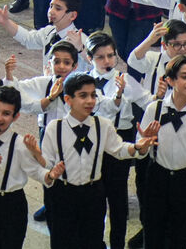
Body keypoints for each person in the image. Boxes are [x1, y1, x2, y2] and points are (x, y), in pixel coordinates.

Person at [41, 73, 140, 249]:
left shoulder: (102, 125)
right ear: (68, 99)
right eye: (83, 96)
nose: (90, 101)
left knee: (92, 239)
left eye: (93, 95)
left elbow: (118, 149)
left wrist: (139, 147)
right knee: (62, 240)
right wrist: (50, 173)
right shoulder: (55, 128)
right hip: (63, 192)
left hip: (93, 193)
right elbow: (46, 163)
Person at [135, 55, 186, 249]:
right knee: (153, 233)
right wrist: (143, 144)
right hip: (157, 176)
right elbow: (139, 149)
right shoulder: (154, 108)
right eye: (185, 76)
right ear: (170, 80)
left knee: (182, 236)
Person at [0, 85, 54, 249]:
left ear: (16, 117)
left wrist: (49, 174)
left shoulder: (19, 144)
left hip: (12, 204)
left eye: (6, 113)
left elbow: (36, 171)